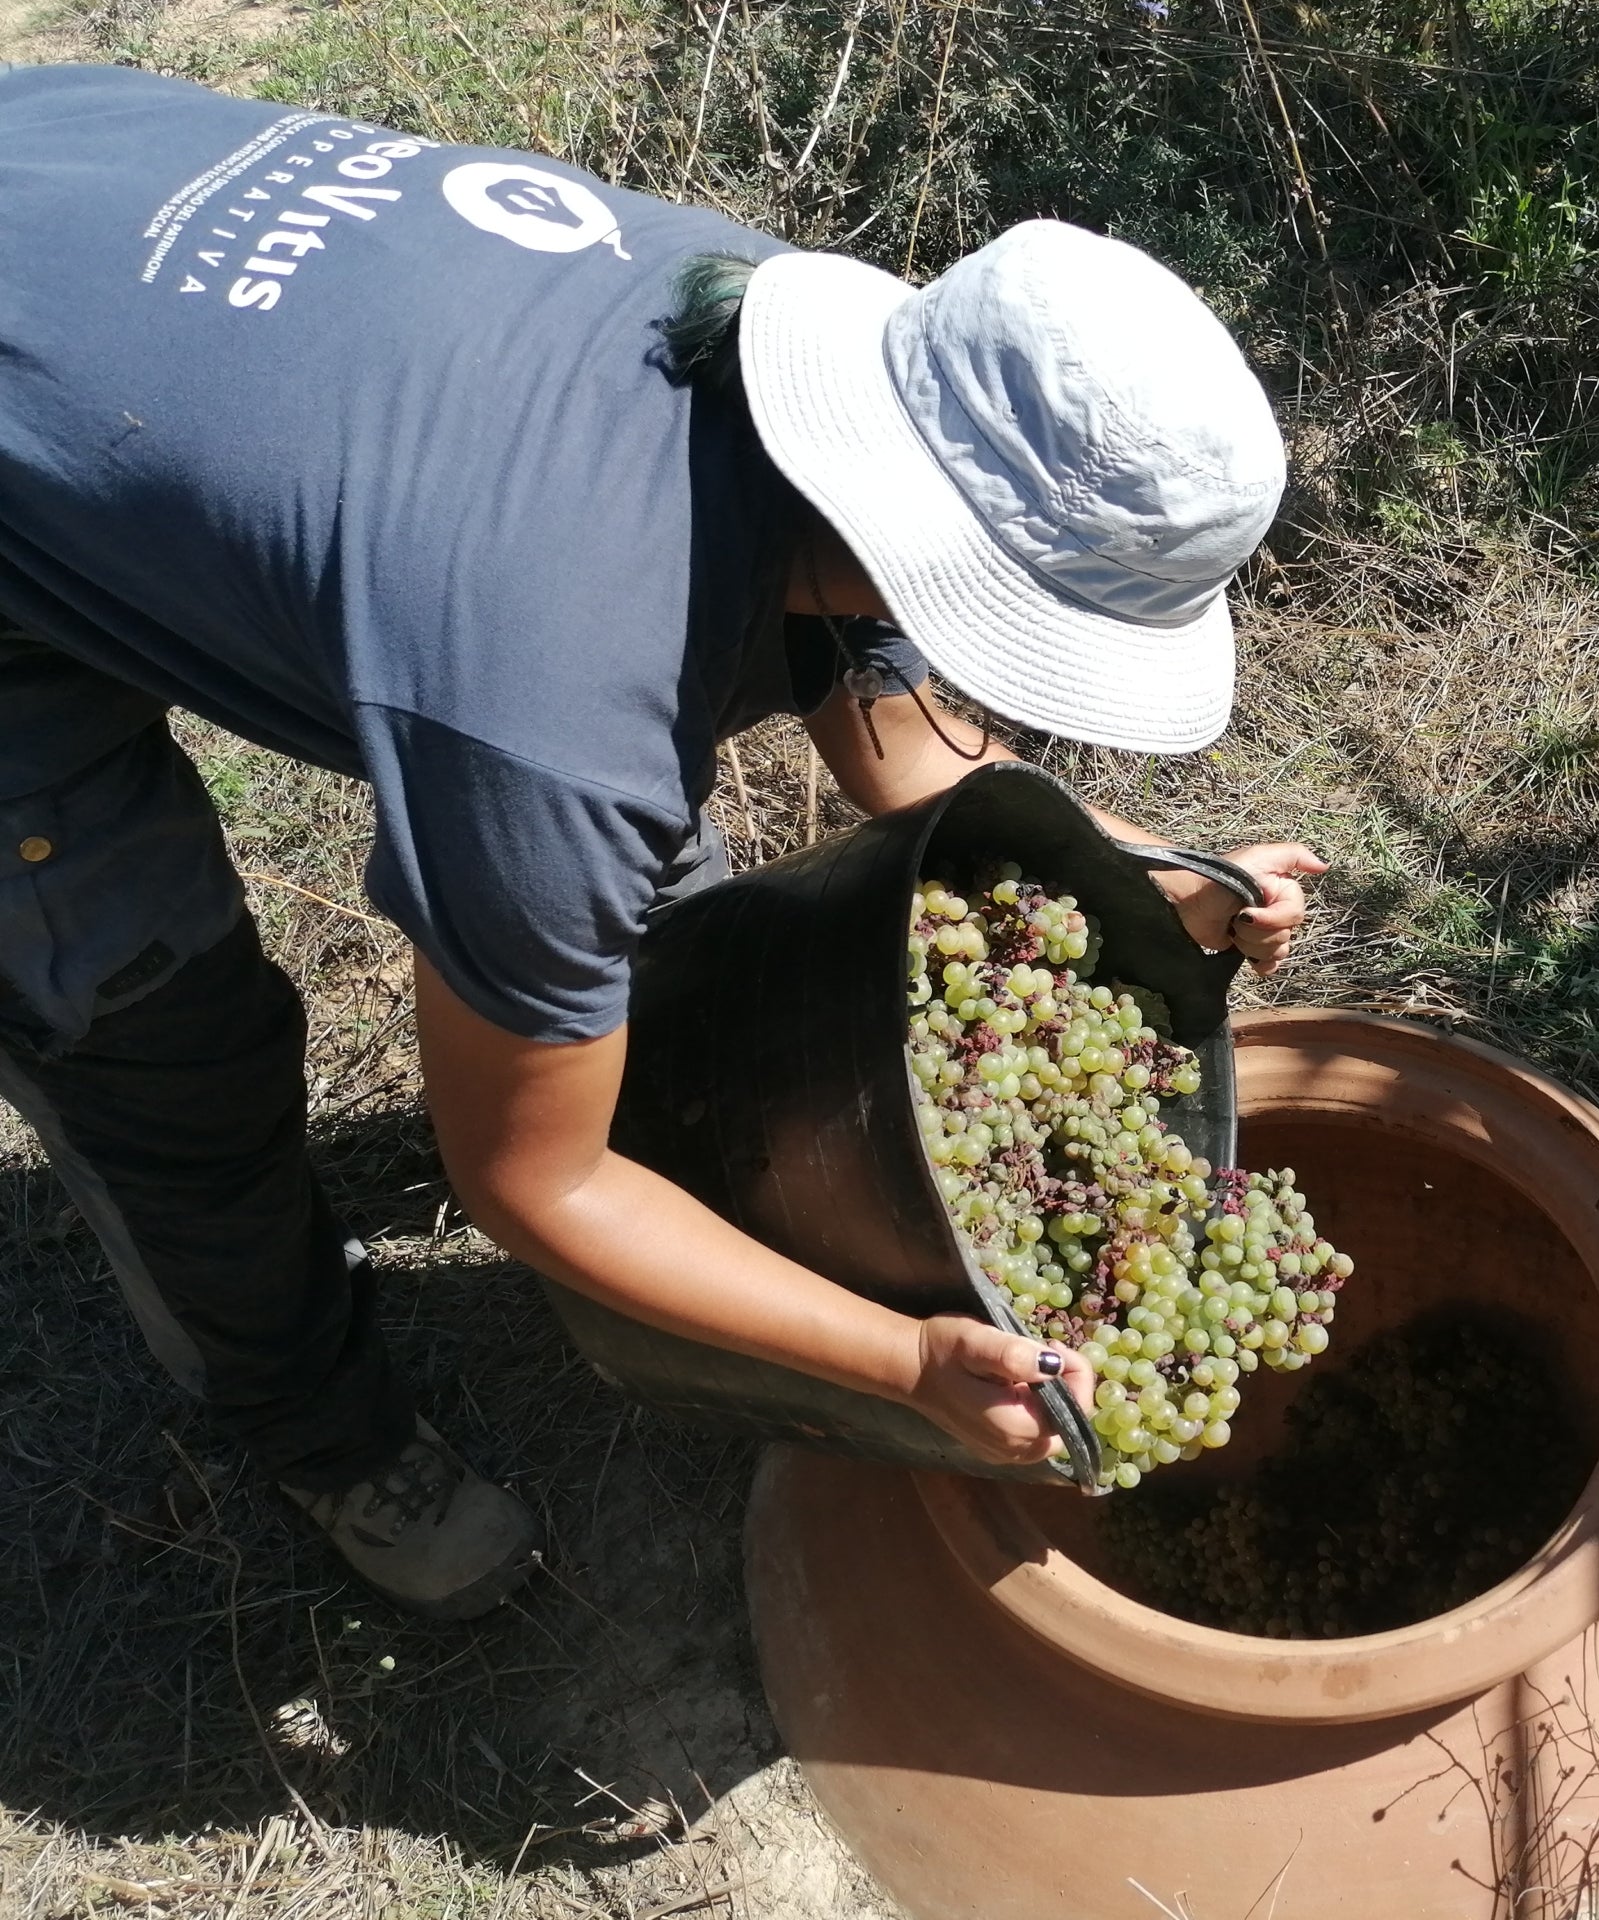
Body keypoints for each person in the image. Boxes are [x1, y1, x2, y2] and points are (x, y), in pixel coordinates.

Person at [0, 64, 1325, 1620]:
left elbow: (887, 714)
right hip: (56, 278)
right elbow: (525, 1183)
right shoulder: (558, 704)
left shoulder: (790, 346)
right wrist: (906, 1360)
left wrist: (1121, 863)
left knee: (622, 909)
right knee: (159, 1031)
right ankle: (322, 1431)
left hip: (74, 196)